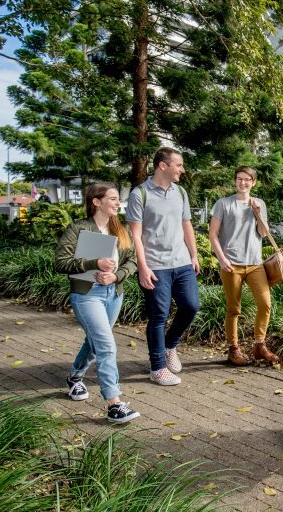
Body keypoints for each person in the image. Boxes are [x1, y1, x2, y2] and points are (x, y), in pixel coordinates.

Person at [54, 182, 140, 423]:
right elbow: (61, 262)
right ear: (96, 201)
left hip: (113, 294)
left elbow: (131, 261)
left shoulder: (120, 229)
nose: (117, 203)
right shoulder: (78, 229)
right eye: (112, 198)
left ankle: (74, 377)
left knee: (94, 342)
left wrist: (116, 275)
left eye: (117, 199)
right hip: (87, 295)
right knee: (106, 345)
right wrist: (94, 264)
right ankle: (114, 404)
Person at [127, 147, 201, 386]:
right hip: (156, 266)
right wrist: (143, 266)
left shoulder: (180, 192)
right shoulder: (140, 194)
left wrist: (194, 254)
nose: (182, 169)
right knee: (158, 316)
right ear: (163, 166)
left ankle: (170, 345)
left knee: (191, 306)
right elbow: (135, 235)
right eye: (178, 165)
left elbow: (186, 225)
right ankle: (157, 367)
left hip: (182, 263)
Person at [209, 166, 279, 366]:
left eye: (247, 179)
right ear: (235, 181)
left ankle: (259, 345)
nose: (243, 182)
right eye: (239, 179)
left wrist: (257, 213)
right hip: (232, 264)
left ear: (253, 182)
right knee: (234, 309)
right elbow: (213, 234)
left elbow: (263, 233)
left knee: (265, 304)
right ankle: (233, 349)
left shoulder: (259, 204)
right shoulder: (223, 204)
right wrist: (222, 259)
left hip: (255, 264)